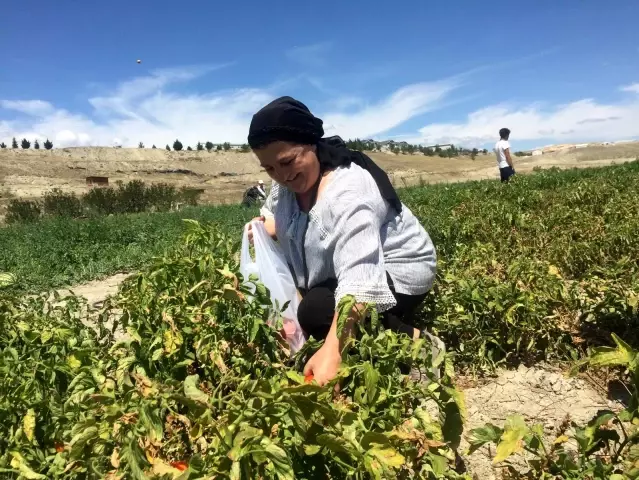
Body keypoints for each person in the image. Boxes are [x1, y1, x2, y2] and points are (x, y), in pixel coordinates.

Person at [246, 96, 440, 386]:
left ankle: (420, 345)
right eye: (270, 169)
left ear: (311, 143)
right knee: (308, 309)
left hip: (399, 271)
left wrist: (334, 352)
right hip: (352, 270)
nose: (282, 176)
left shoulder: (348, 191)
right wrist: (269, 226)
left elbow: (361, 277)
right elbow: (278, 211)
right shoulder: (285, 188)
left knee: (317, 311)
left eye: (287, 161)